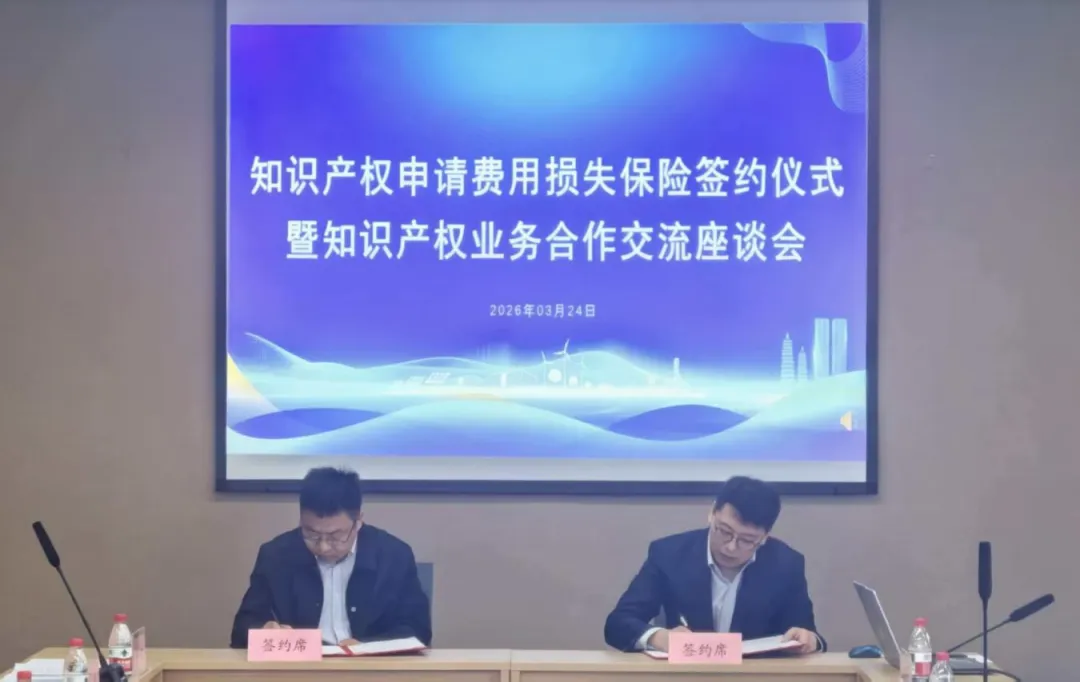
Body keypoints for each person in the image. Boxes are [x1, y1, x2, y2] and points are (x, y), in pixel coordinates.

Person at [603, 476, 825, 654]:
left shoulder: (786, 565)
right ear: (711, 513)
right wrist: (659, 638)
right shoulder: (669, 554)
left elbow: (807, 633)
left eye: (747, 540)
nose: (731, 547)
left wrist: (808, 640)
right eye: (725, 531)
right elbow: (618, 623)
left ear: (765, 537)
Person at [230, 467, 431, 648]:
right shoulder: (276, 555)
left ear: (358, 521)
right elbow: (242, 630)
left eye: (335, 536)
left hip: (370, 669)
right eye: (311, 534)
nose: (323, 547)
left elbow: (418, 630)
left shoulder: (394, 556)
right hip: (299, 669)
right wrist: (264, 630)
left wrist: (366, 646)